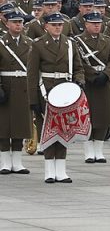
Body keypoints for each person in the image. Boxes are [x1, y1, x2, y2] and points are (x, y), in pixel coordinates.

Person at [28, 12, 86, 183]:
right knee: (48, 130)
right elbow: (32, 74)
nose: (57, 28)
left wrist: (80, 81)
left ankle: (61, 169)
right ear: (46, 26)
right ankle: (49, 170)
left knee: (63, 130)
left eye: (60, 25)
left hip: (65, 91)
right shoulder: (38, 45)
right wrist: (33, 100)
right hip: (45, 90)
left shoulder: (69, 44)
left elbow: (78, 67)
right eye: (54, 25)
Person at [75, 11, 110, 164]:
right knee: (88, 116)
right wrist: (92, 75)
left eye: (99, 23)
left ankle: (99, 149)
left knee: (103, 116)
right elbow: (79, 62)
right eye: (93, 23)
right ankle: (88, 150)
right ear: (86, 24)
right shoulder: (78, 41)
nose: (97, 25)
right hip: (88, 82)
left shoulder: (108, 40)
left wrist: (106, 74)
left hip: (103, 81)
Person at [0, 10, 33, 175]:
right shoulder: (1, 42)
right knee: (4, 126)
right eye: (14, 22)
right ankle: (5, 161)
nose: (18, 25)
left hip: (23, 86)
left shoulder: (29, 43)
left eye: (20, 22)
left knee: (20, 124)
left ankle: (17, 161)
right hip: (6, 85)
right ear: (7, 24)